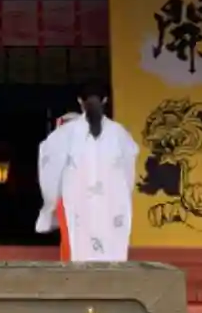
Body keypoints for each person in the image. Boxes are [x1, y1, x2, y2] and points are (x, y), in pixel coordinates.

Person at [35, 83, 139, 263]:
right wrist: (123, 195)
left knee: (78, 249)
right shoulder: (120, 133)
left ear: (79, 101)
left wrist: (51, 201)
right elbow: (129, 172)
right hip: (113, 203)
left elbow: (50, 166)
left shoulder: (65, 133)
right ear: (105, 100)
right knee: (112, 250)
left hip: (76, 201)